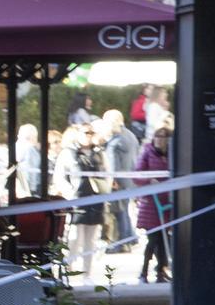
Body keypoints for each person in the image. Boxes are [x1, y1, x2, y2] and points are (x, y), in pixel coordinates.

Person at [53, 125, 107, 284]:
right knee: (74, 239)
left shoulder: (99, 154)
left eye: (92, 132)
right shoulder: (68, 153)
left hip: (95, 202)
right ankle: (67, 271)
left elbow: (106, 174)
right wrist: (69, 193)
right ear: (78, 135)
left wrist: (104, 191)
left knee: (91, 241)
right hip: (76, 202)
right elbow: (59, 176)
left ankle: (87, 275)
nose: (89, 136)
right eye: (86, 133)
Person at [135, 125, 173, 283]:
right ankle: (144, 272)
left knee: (166, 240)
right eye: (157, 136)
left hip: (168, 203)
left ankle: (161, 271)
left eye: (163, 137)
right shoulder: (147, 153)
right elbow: (137, 175)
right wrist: (149, 180)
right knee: (153, 239)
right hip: (152, 204)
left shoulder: (173, 154)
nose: (159, 140)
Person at [102, 110, 140, 253]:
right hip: (130, 178)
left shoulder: (114, 140)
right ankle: (130, 238)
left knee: (119, 212)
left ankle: (122, 242)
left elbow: (112, 164)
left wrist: (111, 181)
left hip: (118, 180)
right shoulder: (131, 135)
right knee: (123, 210)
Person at [16, 123, 42, 193]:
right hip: (29, 187)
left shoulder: (16, 147)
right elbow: (31, 170)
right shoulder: (30, 149)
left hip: (19, 186)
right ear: (32, 136)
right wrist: (32, 189)